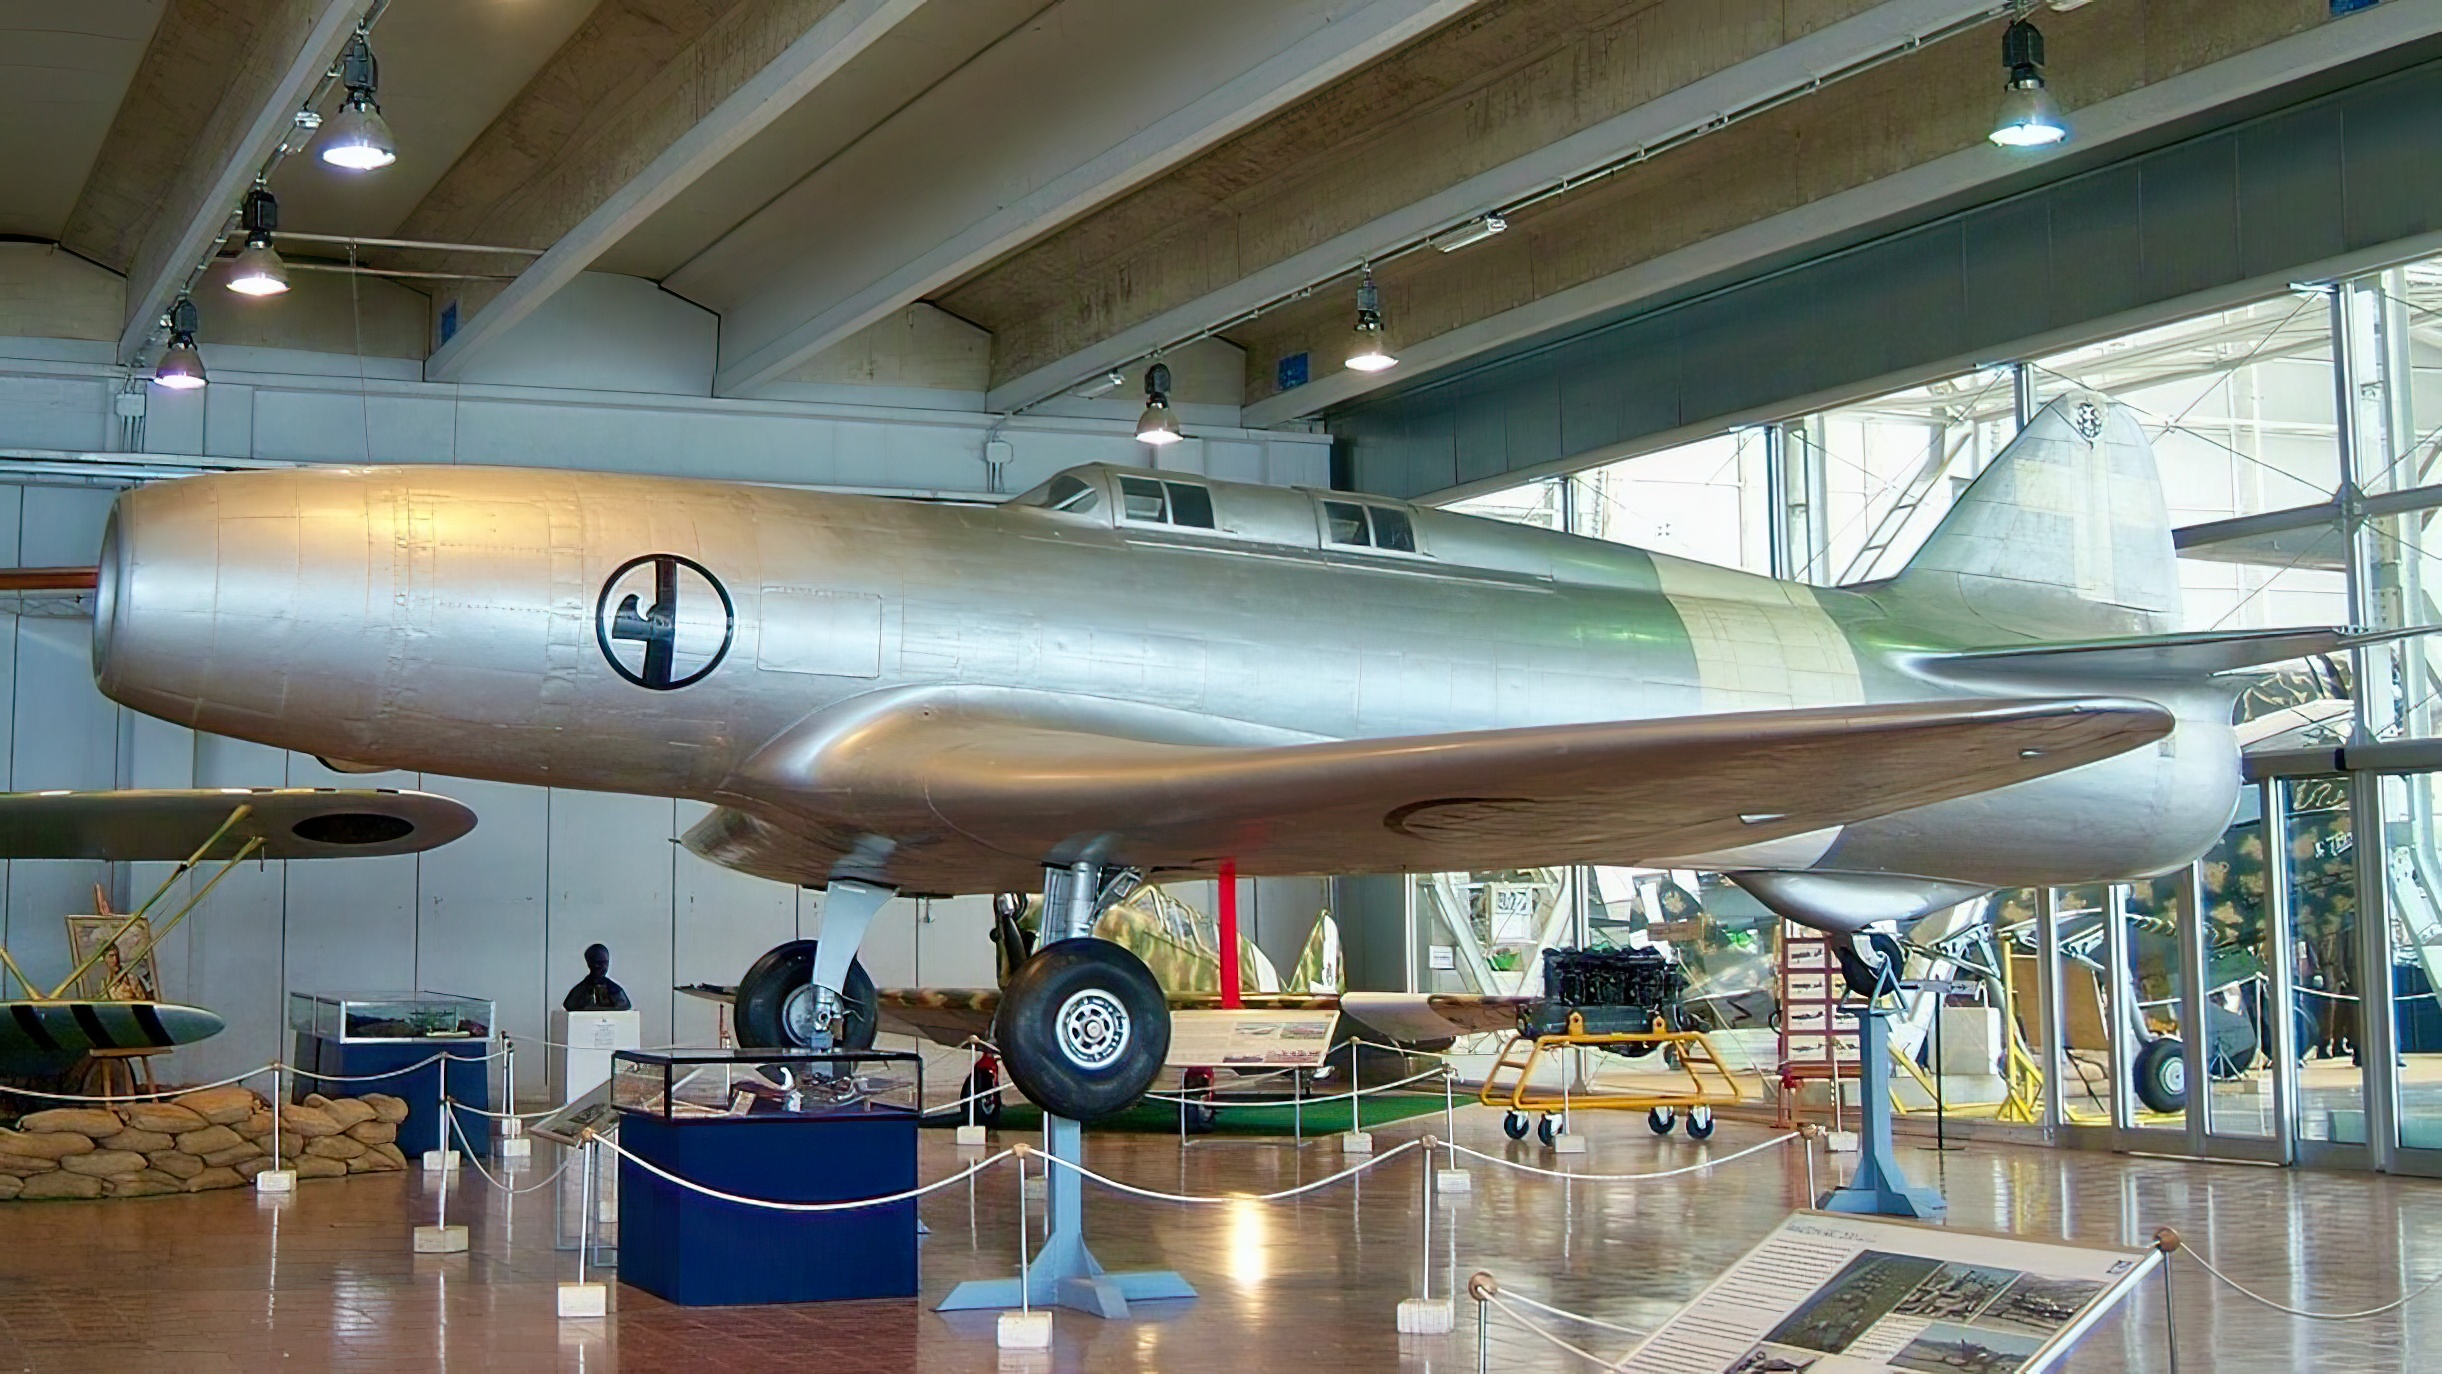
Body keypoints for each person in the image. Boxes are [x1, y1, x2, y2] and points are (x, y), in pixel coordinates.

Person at [561, 943, 632, 1012]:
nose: (603, 967)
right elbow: (569, 1005)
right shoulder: (579, 990)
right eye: (599, 963)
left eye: (605, 963)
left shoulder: (615, 989)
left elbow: (624, 1005)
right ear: (589, 963)